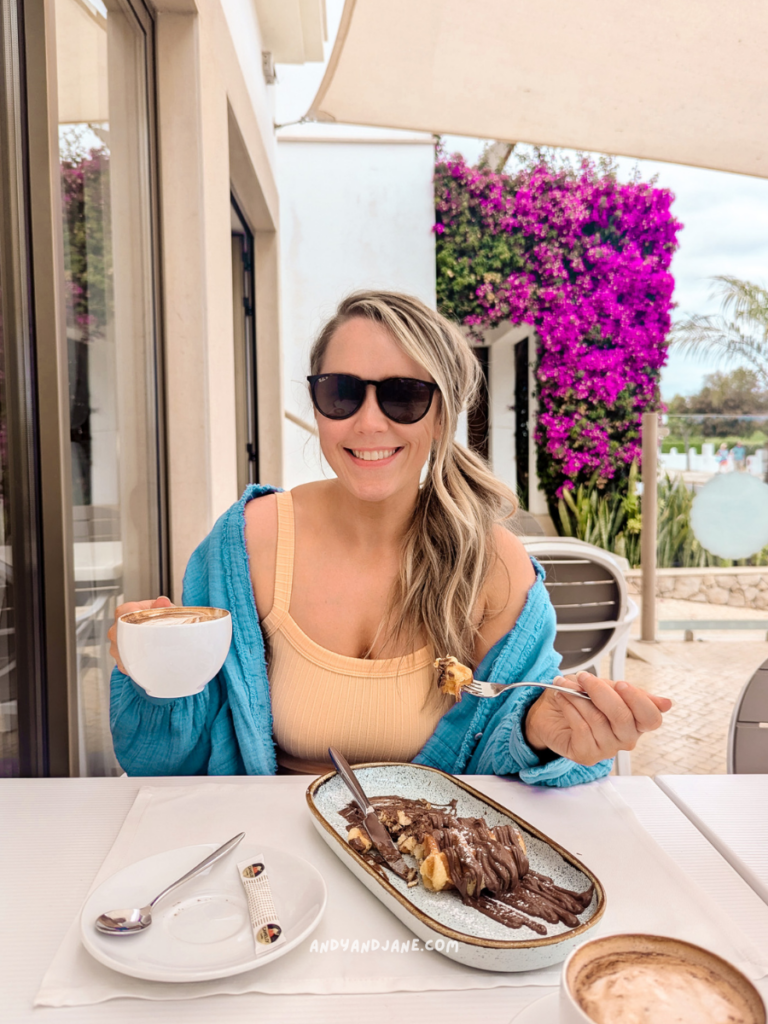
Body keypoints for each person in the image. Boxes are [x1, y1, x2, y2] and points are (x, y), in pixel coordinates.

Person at [108, 291, 670, 782]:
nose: (369, 423)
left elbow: (509, 736)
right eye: (341, 393)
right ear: (317, 406)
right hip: (274, 861)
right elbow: (165, 764)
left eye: (403, 395)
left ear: (442, 414)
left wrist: (543, 729)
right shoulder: (246, 544)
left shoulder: (492, 564)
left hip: (430, 875)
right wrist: (155, 678)